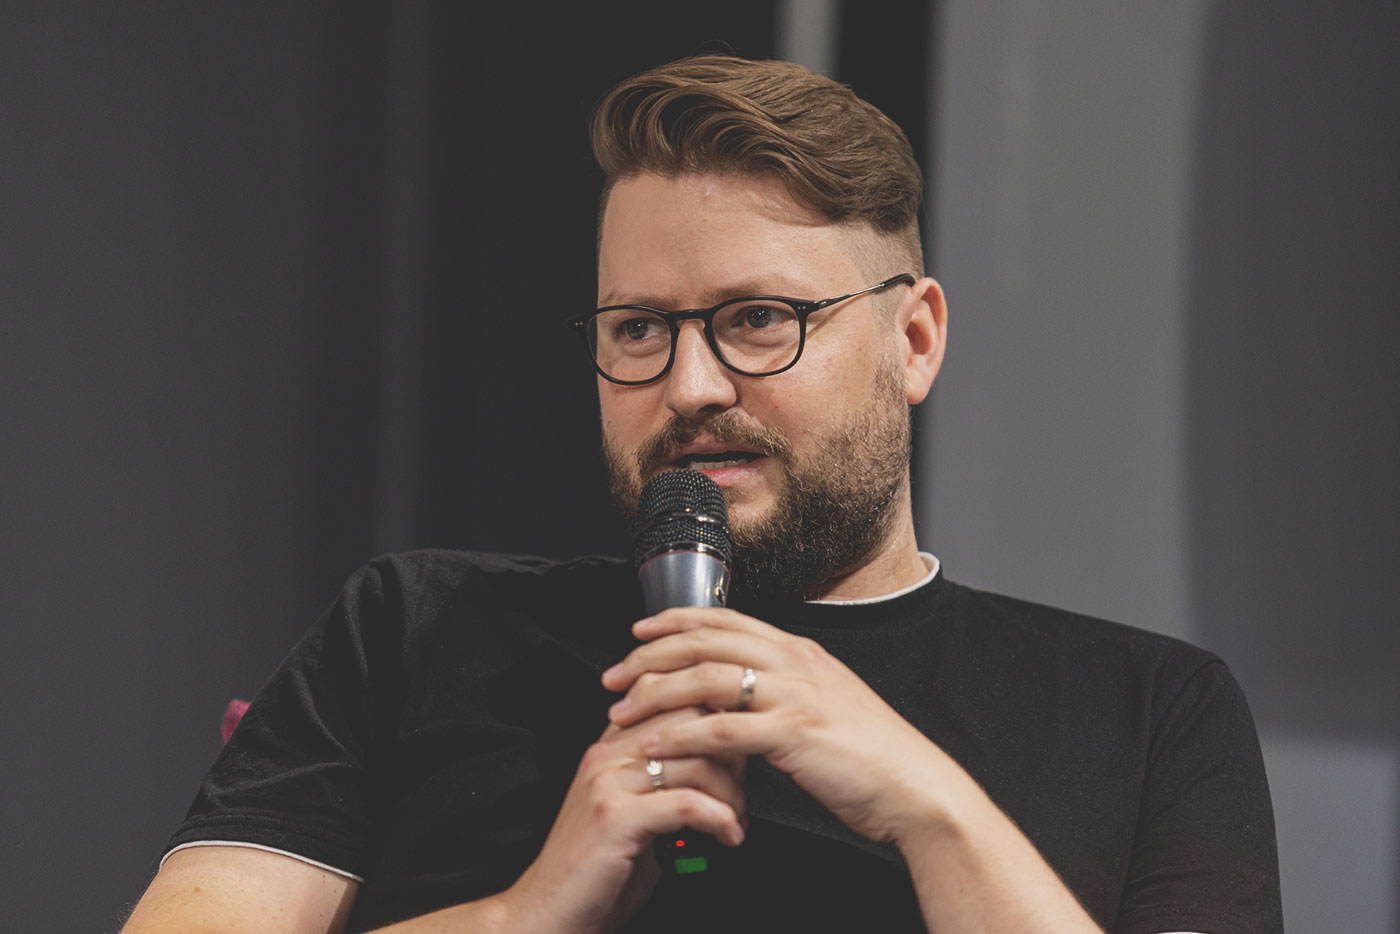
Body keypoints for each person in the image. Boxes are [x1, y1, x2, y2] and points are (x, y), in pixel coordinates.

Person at [122, 55, 1282, 934]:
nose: (689, 385)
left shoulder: (1144, 709)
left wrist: (930, 806)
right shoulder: (418, 629)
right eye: (638, 329)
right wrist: (523, 913)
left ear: (914, 339)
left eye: (758, 319)